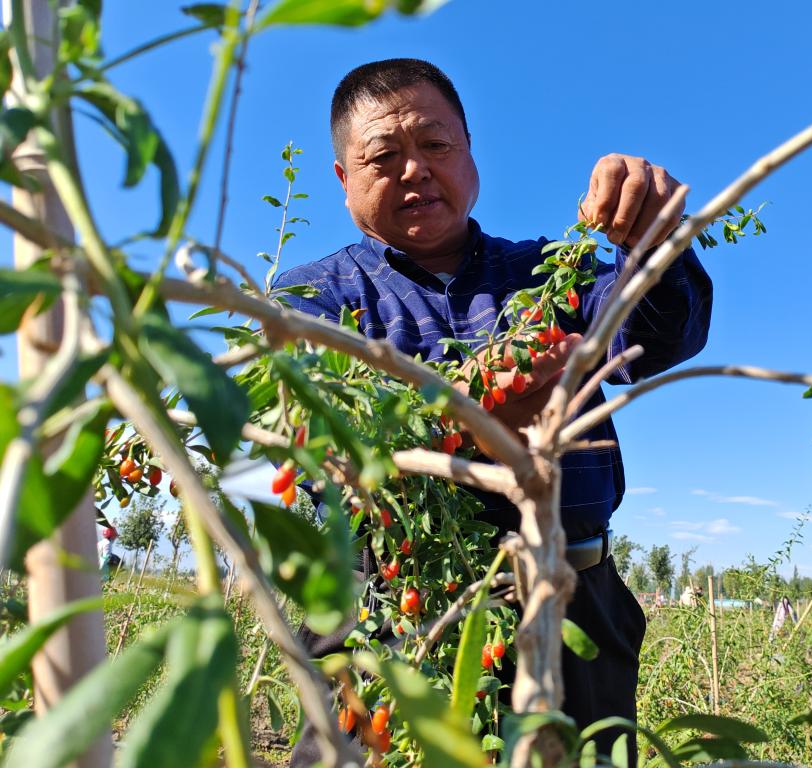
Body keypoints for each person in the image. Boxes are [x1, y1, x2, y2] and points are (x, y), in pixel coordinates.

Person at [278, 59, 712, 766]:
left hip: (573, 601)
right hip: (384, 613)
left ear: (470, 153)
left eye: (436, 146)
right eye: (383, 156)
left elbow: (662, 333)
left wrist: (653, 241)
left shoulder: (553, 274)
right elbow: (320, 451)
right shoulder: (310, 300)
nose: (414, 170)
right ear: (342, 179)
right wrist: (488, 427)